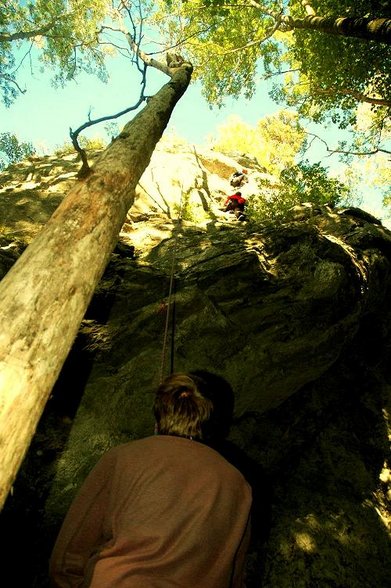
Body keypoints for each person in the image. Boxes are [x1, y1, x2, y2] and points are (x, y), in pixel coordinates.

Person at [49, 372, 252, 588]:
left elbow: (67, 556)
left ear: (160, 412)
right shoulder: (236, 483)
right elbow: (233, 575)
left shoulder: (122, 458)